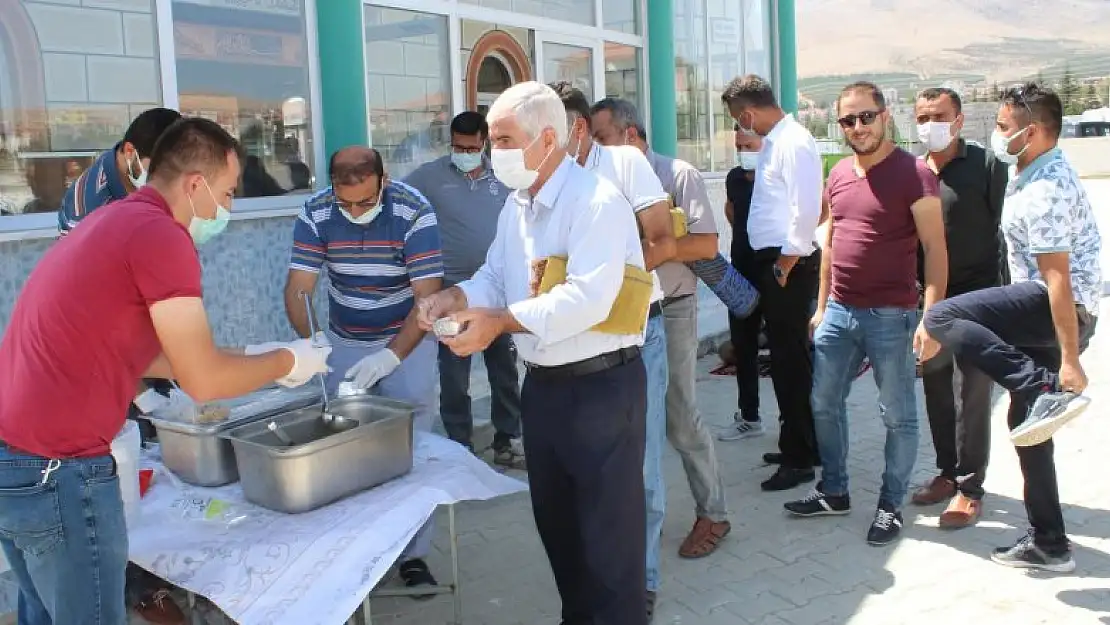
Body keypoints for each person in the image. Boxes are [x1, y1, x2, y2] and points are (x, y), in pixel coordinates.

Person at [0, 117, 330, 625]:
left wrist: (251, 352)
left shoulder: (114, 220)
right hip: (58, 473)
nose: (229, 207)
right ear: (195, 185)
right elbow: (203, 382)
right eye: (228, 191)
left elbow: (150, 354)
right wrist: (289, 362)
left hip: (16, 463)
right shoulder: (161, 236)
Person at [417, 81, 649, 625]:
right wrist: (457, 296)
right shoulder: (516, 208)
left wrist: (498, 322)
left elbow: (589, 297)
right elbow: (497, 277)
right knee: (561, 534)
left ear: (547, 140)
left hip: (602, 391)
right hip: (543, 389)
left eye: (502, 139)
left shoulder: (596, 202)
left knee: (609, 548)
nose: (492, 151)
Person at [923, 83, 1101, 572]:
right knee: (1027, 428)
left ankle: (1037, 383)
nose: (998, 136)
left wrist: (1068, 360)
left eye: (1004, 128)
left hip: (1054, 307)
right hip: (1044, 309)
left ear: (1034, 131)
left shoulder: (1045, 189)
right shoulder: (1031, 171)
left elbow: (1058, 280)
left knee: (942, 314)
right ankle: (1050, 543)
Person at [784, 82, 948, 546]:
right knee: (823, 404)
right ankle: (834, 490)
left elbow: (935, 250)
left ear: (885, 114)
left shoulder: (914, 174)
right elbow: (831, 244)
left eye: (865, 117)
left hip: (892, 317)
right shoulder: (837, 175)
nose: (857, 127)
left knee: (897, 415)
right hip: (838, 312)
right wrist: (820, 308)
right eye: (847, 121)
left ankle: (890, 504)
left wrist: (929, 318)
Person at [284, 146, 444, 592]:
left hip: (408, 340)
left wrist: (390, 356)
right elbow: (299, 290)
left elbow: (427, 300)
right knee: (346, 450)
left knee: (414, 447)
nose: (354, 211)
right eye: (346, 202)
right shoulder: (316, 212)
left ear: (384, 182)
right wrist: (312, 344)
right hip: (344, 342)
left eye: (365, 202)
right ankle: (357, 553)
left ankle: (414, 557)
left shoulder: (414, 213)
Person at [551, 81, 677, 618]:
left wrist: (610, 285)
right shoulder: (545, 181)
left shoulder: (624, 164)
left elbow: (662, 237)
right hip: (568, 345)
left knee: (640, 472)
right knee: (580, 475)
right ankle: (593, 583)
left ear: (575, 130)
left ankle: (640, 581)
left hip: (632, 335)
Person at [590, 98, 732, 572]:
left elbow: (706, 244)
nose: (595, 147)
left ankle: (713, 514)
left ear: (630, 135)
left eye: (602, 137)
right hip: (622, 316)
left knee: (679, 415)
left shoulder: (678, 174)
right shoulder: (599, 180)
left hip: (670, 309)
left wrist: (646, 248)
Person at [719, 75, 824, 492]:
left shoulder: (793, 141)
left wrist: (785, 262)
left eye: (738, 121)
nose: (743, 129)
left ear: (746, 114)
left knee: (790, 362)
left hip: (788, 264)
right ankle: (799, 443)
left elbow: (806, 208)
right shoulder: (778, 141)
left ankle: (800, 458)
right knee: (785, 361)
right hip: (776, 261)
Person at [910, 87, 1008, 528]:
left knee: (972, 392)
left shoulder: (986, 166)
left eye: (939, 116)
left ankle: (970, 488)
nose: (930, 124)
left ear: (959, 120)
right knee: (935, 389)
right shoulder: (913, 172)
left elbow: (1006, 229)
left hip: (980, 299)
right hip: (933, 299)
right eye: (922, 116)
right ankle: (947, 473)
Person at [403, 112, 524, 469]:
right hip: (451, 294)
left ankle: (507, 439)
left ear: (483, 144)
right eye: (458, 146)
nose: (464, 153)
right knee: (454, 374)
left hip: (497, 292)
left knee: (504, 369)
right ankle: (460, 445)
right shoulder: (430, 178)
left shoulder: (503, 177)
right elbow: (397, 199)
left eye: (471, 147)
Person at [58, 107, 182, 235]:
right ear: (129, 151)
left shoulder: (128, 159)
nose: (168, 179)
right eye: (159, 170)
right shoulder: (91, 210)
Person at [721, 128, 766, 441]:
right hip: (741, 275)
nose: (743, 151)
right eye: (739, 146)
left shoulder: (776, 176)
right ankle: (749, 416)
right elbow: (731, 212)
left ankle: (797, 423)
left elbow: (816, 211)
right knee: (743, 346)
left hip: (776, 273)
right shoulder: (734, 178)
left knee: (790, 351)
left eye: (749, 145)